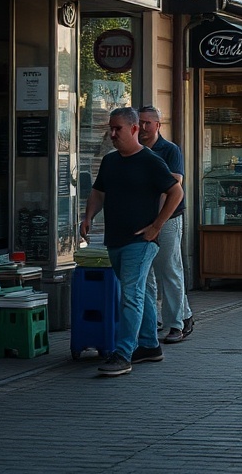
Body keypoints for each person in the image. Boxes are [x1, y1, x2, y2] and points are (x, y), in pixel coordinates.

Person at [80, 107, 184, 377]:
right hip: (114, 238)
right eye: (110, 129)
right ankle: (150, 345)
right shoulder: (110, 161)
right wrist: (88, 216)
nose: (112, 134)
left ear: (135, 129)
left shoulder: (151, 160)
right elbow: (98, 191)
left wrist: (157, 226)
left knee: (130, 295)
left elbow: (176, 192)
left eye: (118, 129)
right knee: (139, 293)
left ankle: (123, 353)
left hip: (141, 241)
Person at [138, 105, 194, 345]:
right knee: (146, 274)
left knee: (169, 270)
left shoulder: (169, 150)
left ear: (157, 125)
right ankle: (157, 320)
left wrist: (158, 220)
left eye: (147, 123)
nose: (142, 127)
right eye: (138, 122)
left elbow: (174, 186)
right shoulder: (134, 151)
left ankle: (176, 325)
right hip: (141, 220)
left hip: (168, 219)